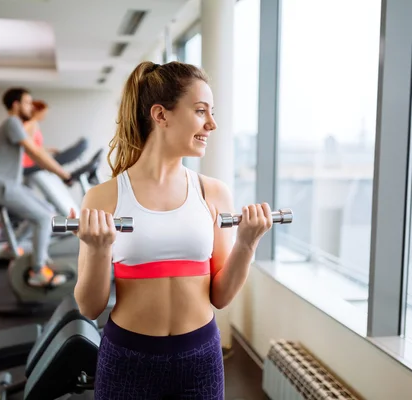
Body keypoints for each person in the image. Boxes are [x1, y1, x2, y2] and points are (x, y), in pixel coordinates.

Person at [70, 61, 274, 399]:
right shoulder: (104, 196)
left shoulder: (213, 192)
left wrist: (247, 244)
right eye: (200, 111)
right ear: (161, 115)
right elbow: (90, 308)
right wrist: (97, 249)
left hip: (200, 358)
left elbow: (220, 297)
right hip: (127, 358)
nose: (212, 123)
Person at [0, 87, 74, 287]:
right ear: (16, 105)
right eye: (26, 103)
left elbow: (35, 147)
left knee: (48, 212)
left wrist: (51, 156)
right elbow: (34, 153)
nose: (30, 107)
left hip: (9, 185)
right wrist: (63, 174)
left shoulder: (13, 126)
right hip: (3, 187)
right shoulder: (12, 122)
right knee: (43, 218)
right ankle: (38, 272)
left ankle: (10, 248)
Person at [22, 100, 59, 169]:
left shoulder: (33, 124)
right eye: (44, 113)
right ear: (37, 111)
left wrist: (50, 149)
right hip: (28, 163)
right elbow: (30, 147)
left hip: (32, 160)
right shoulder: (32, 124)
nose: (45, 115)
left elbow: (34, 145)